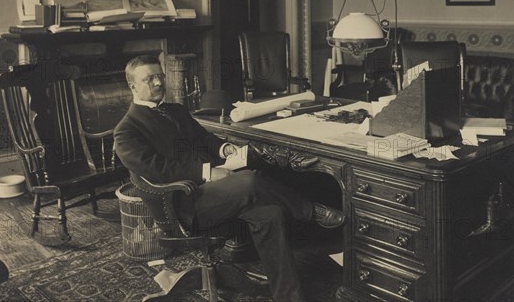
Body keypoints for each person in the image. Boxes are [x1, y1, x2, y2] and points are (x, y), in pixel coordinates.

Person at [114, 55, 345, 302]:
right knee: (248, 180)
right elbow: (158, 170)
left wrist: (223, 149)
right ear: (133, 86)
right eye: (149, 78)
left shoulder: (176, 111)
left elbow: (204, 139)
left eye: (160, 76)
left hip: (215, 194)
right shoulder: (126, 130)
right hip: (182, 207)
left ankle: (288, 297)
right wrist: (207, 172)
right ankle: (311, 211)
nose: (159, 82)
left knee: (270, 214)